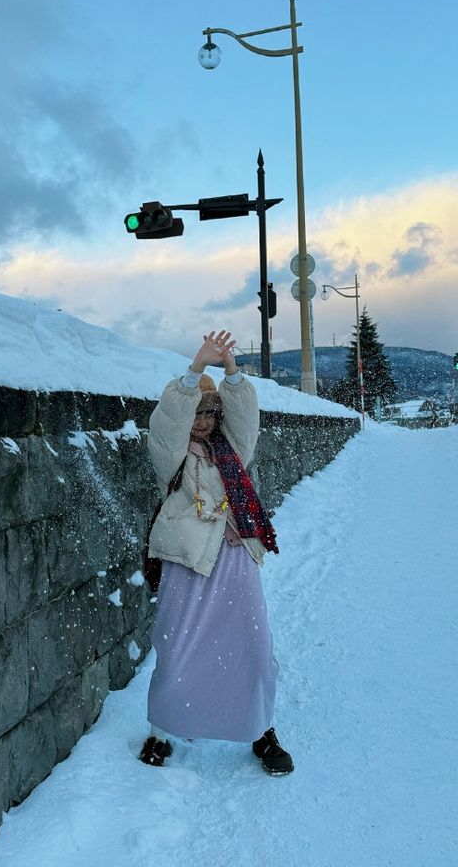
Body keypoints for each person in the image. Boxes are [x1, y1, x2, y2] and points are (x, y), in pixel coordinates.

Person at [139, 329, 293, 776]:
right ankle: (161, 730)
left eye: (210, 412)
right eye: (197, 412)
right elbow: (167, 421)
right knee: (177, 647)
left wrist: (230, 371)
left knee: (252, 645)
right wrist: (195, 371)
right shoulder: (172, 455)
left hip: (233, 557)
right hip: (187, 561)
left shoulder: (232, 450)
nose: (202, 421)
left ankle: (260, 728)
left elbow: (246, 419)